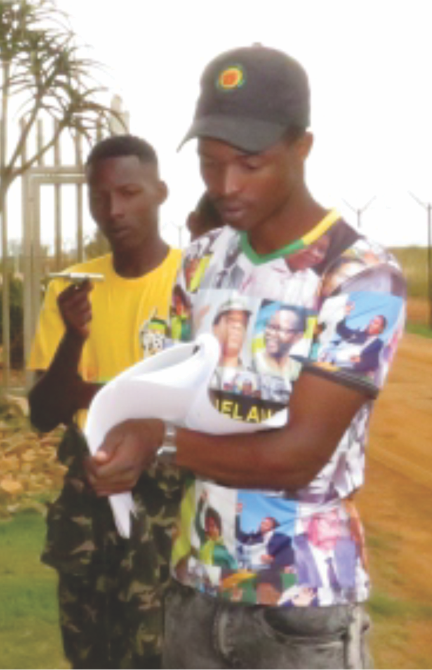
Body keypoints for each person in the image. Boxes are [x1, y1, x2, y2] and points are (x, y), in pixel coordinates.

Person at [88, 45, 405, 669]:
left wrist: (159, 442)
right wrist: (121, 439)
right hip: (194, 587)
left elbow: (300, 456)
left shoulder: (360, 276)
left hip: (302, 603)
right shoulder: (201, 262)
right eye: (210, 163)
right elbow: (165, 395)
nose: (226, 185)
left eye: (250, 164)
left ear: (302, 147)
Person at [26, 134, 183, 670]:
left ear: (160, 192)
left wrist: (97, 394)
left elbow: (200, 402)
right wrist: (74, 337)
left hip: (167, 503)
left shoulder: (192, 283)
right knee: (89, 655)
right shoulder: (73, 290)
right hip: (87, 504)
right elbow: (43, 413)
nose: (113, 210)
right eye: (99, 197)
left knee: (159, 652)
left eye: (129, 193)